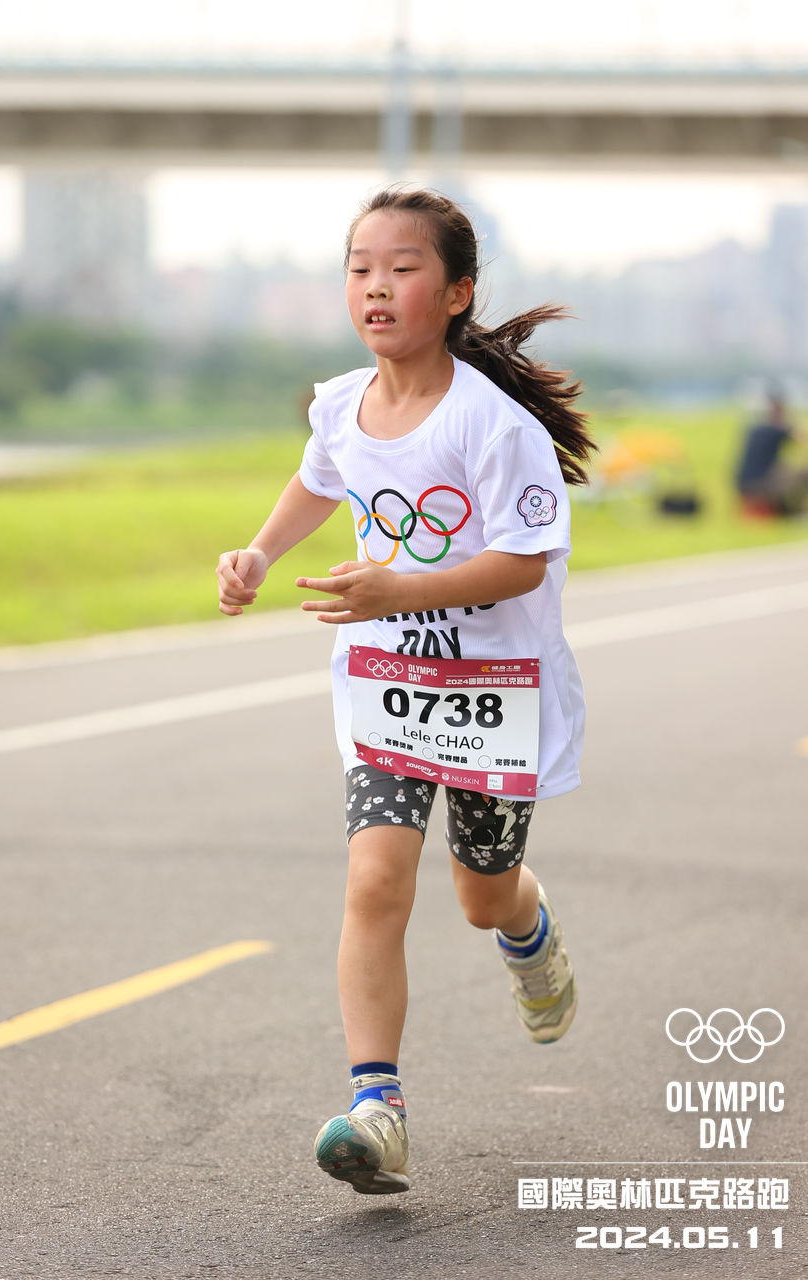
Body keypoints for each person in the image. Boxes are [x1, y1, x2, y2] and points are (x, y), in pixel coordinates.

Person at [216, 187, 597, 1196]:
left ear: (457, 292)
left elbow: (522, 560)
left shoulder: (494, 426)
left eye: (402, 268)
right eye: (359, 269)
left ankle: (527, 928)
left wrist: (400, 587)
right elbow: (320, 479)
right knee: (375, 881)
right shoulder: (341, 404)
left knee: (480, 896)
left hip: (492, 692)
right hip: (388, 685)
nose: (375, 286)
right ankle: (376, 1109)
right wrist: (258, 553)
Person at [735, 392, 808, 516]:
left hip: (742, 484)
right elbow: (800, 436)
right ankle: (792, 511)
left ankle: (787, 510)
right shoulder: (778, 429)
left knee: (785, 468)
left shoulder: (755, 429)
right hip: (760, 485)